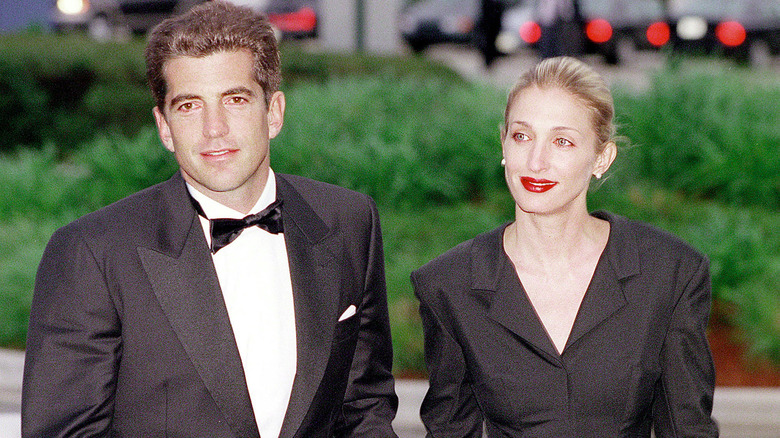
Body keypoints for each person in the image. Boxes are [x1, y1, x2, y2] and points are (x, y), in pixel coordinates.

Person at [22, 2, 398, 437]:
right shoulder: (93, 253)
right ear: (164, 127)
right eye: (188, 106)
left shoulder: (348, 222)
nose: (213, 128)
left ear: (273, 112)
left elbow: (365, 405)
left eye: (235, 99)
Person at [411, 57, 718, 436]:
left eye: (562, 141)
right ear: (503, 143)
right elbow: (450, 430)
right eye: (522, 136)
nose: (536, 162)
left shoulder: (669, 273)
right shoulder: (449, 284)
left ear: (601, 158)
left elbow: (687, 428)